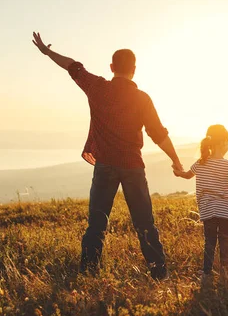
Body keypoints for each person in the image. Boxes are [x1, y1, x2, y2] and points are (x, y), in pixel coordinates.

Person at [31, 32, 183, 279]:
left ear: (112, 67)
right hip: (133, 166)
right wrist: (176, 161)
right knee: (145, 224)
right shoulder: (142, 98)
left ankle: (89, 274)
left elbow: (72, 66)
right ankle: (159, 275)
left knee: (96, 225)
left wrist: (48, 52)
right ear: (134, 70)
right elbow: (159, 134)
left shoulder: (97, 87)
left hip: (104, 167)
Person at [173, 125, 228, 275]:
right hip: (225, 210)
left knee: (209, 241)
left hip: (208, 209)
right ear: (223, 142)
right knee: (224, 239)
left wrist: (178, 172)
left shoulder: (201, 162)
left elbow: (186, 175)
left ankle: (207, 271)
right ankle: (225, 270)